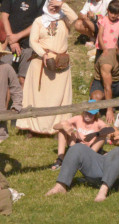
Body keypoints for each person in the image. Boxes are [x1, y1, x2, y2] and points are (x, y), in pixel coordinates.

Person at [15, 0, 78, 136]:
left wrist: (62, 5)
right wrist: (43, 54)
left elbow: (75, 19)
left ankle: (58, 127)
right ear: (46, 5)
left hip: (60, 63)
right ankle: (31, 127)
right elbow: (33, 41)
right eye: (51, 5)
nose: (54, 9)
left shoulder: (64, 20)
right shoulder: (39, 21)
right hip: (41, 63)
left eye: (56, 7)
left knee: (59, 96)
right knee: (37, 97)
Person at [0, 0, 46, 84]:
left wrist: (17, 37)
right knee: (4, 77)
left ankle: (22, 97)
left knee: (24, 79)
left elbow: (38, 23)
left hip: (28, 45)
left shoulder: (40, 1)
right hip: (8, 45)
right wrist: (12, 40)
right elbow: (4, 17)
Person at [52, 104, 107, 169]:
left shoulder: (98, 122)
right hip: (77, 146)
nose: (87, 115)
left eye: (91, 114)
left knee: (103, 136)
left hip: (91, 149)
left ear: (95, 115)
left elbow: (106, 129)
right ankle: (60, 159)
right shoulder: (78, 118)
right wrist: (64, 126)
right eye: (86, 112)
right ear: (84, 112)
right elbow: (55, 127)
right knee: (62, 129)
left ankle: (88, 159)